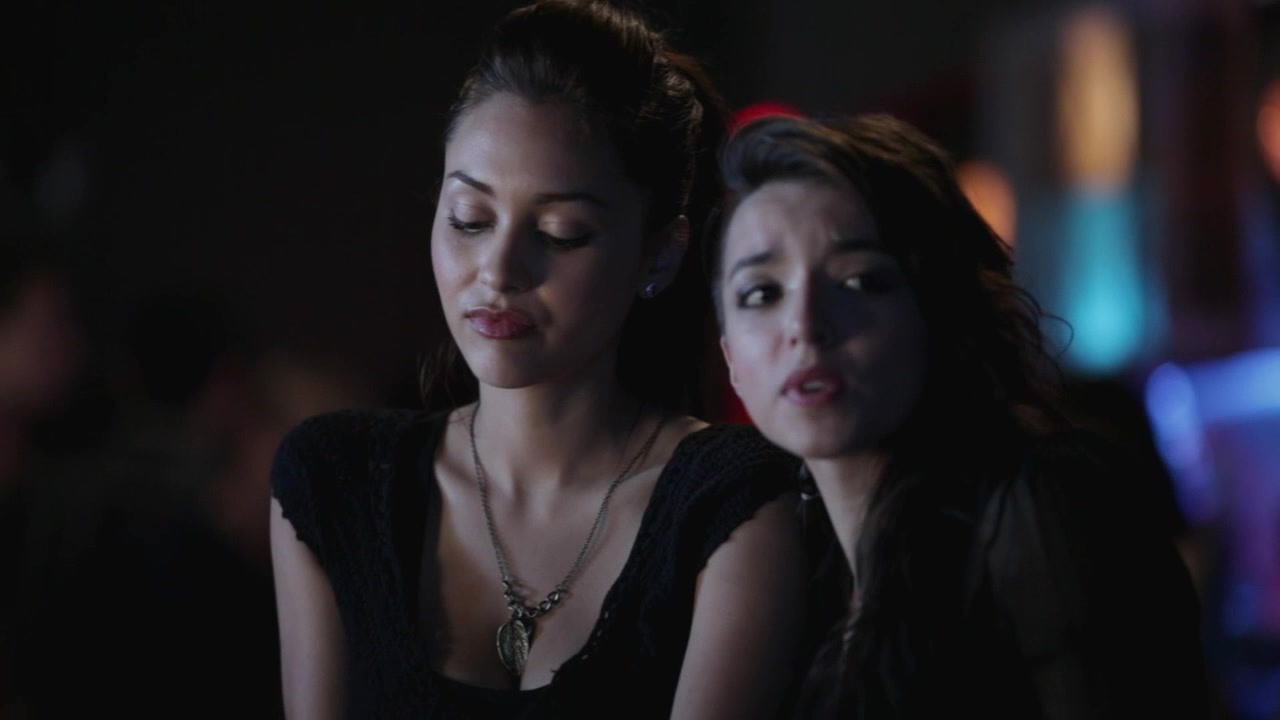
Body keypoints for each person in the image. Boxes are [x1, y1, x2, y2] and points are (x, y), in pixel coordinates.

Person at [269, 2, 805, 718]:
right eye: (470, 219)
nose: (498, 270)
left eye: (560, 232)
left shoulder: (731, 502)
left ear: (659, 254)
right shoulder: (334, 478)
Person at [710, 113, 1210, 718]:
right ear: (731, 359)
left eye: (859, 280)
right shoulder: (788, 578)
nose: (805, 326)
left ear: (937, 307)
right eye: (762, 293)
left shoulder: (1038, 508)